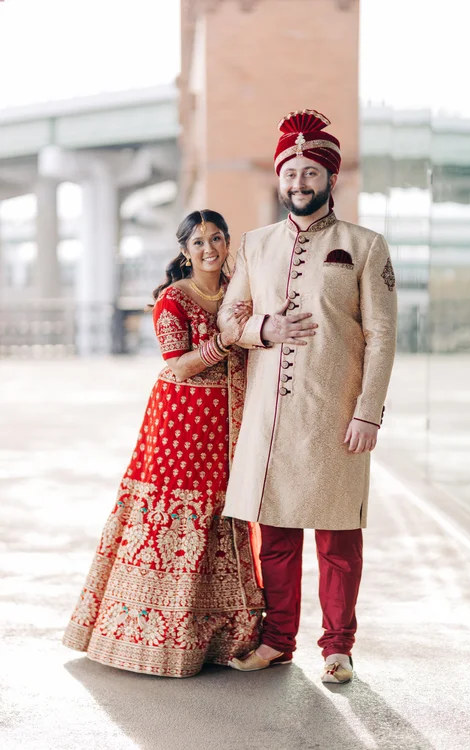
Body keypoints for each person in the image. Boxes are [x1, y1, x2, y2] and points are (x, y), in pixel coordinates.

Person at [218, 110, 398, 683]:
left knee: (339, 539)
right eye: (290, 173)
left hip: (335, 415)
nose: (298, 182)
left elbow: (382, 335)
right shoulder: (255, 244)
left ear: (330, 179)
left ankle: (338, 648)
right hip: (270, 418)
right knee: (274, 536)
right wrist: (263, 328)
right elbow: (230, 319)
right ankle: (277, 641)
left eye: (310, 173)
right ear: (280, 178)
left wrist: (368, 412)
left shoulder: (364, 246)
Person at [63, 210, 264, 678]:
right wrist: (226, 341)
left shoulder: (238, 292)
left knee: (226, 509)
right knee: (178, 509)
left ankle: (224, 636)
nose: (209, 248)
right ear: (185, 251)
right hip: (182, 421)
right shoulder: (173, 299)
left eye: (217, 238)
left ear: (228, 242)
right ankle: (160, 638)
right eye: (198, 242)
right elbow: (178, 364)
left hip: (233, 420)